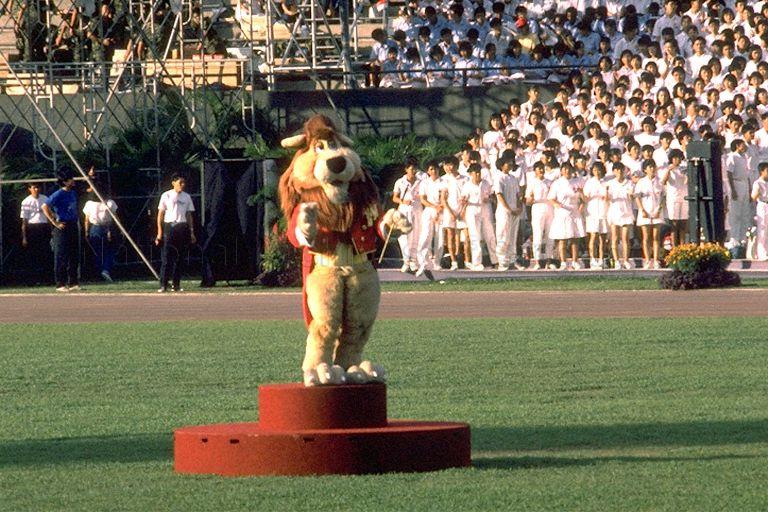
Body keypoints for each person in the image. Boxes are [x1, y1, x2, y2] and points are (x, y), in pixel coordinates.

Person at [41, 167, 81, 292]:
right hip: (62, 225)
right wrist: (54, 221)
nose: (73, 181)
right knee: (61, 255)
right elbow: (45, 206)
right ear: (65, 181)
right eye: (70, 179)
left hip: (73, 224)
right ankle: (60, 283)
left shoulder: (73, 193)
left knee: (74, 254)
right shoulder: (58, 194)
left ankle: (73, 282)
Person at [156, 174, 197, 292]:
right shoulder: (166, 195)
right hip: (170, 226)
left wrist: (191, 232)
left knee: (180, 257)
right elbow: (160, 214)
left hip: (182, 226)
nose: (182, 185)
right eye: (180, 183)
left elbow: (189, 215)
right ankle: (163, 284)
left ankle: (176, 284)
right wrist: (159, 231)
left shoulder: (186, 197)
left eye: (184, 183)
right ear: (173, 183)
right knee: (167, 257)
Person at [548, 162, 585, 270]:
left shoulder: (577, 181)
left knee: (575, 239)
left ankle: (575, 261)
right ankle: (563, 262)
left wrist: (580, 208)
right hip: (562, 212)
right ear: (561, 171)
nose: (567, 171)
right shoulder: (557, 183)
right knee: (562, 239)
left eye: (568, 169)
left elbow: (583, 199)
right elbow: (551, 198)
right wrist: (556, 204)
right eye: (564, 169)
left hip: (574, 212)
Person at [460, 163, 498, 271]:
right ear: (471, 174)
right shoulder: (467, 185)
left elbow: (492, 196)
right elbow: (463, 200)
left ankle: (495, 260)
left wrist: (489, 199)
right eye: (475, 173)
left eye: (478, 172)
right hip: (472, 209)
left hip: (485, 208)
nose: (477, 174)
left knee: (490, 234)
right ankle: (477, 263)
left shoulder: (486, 183)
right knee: (475, 236)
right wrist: (463, 206)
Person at [493, 155, 523, 271]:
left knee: (512, 237)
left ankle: (512, 261)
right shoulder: (499, 177)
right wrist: (508, 209)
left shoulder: (514, 178)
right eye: (508, 163)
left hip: (514, 210)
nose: (510, 165)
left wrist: (519, 207)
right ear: (502, 165)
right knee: (503, 236)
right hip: (504, 211)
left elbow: (517, 195)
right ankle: (502, 262)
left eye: (511, 163)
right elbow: (499, 195)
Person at [392, 157, 422, 272]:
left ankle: (414, 261)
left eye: (415, 169)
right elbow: (394, 198)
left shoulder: (421, 181)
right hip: (404, 210)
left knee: (415, 235)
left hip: (417, 209)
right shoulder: (400, 182)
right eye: (411, 169)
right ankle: (406, 261)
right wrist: (403, 201)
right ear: (406, 169)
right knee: (404, 236)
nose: (413, 171)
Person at [634, 159, 665, 269]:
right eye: (649, 167)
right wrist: (642, 210)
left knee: (656, 237)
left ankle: (656, 260)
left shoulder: (659, 182)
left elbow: (662, 197)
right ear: (645, 169)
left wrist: (659, 210)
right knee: (646, 237)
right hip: (645, 212)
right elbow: (637, 197)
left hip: (656, 212)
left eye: (653, 166)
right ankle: (647, 260)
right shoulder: (641, 182)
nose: (652, 169)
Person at [415, 160, 444, 276]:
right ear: (427, 171)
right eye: (431, 169)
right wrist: (434, 207)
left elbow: (444, 198)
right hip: (429, 209)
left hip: (441, 210)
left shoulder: (443, 182)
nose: (434, 171)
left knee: (439, 237)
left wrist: (439, 208)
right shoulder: (424, 183)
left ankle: (437, 262)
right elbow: (423, 199)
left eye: (435, 168)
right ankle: (423, 261)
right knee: (426, 235)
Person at [83, 188, 118, 282]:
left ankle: (104, 270)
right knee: (103, 250)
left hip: (101, 227)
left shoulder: (108, 203)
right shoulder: (91, 203)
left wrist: (86, 231)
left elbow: (86, 219)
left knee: (101, 251)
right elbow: (115, 218)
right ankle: (104, 270)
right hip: (99, 227)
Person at [19, 182, 51, 284]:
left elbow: (50, 215)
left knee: (45, 254)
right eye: (34, 188)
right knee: (33, 255)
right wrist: (24, 237)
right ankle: (33, 280)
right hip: (32, 228)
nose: (36, 189)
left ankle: (47, 279)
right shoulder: (26, 202)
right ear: (30, 189)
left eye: (38, 187)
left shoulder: (45, 199)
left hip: (44, 227)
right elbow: (24, 221)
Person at [525, 162, 555, 270]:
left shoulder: (550, 182)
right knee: (537, 234)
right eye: (539, 169)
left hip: (549, 207)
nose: (541, 171)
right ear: (535, 171)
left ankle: (549, 260)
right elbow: (528, 201)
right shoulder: (532, 183)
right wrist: (531, 198)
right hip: (537, 207)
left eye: (542, 168)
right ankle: (537, 261)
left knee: (550, 234)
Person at [583, 161, 609, 269]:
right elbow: (585, 198)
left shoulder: (606, 182)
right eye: (594, 170)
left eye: (598, 170)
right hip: (592, 212)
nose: (597, 172)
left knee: (603, 238)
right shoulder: (589, 182)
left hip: (604, 212)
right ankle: (592, 259)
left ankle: (601, 259)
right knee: (593, 236)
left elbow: (608, 198)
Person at [659, 148, 688, 247]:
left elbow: (686, 182)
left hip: (684, 198)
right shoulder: (668, 169)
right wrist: (669, 170)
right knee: (674, 225)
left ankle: (683, 246)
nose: (677, 160)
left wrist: (686, 175)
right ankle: (675, 247)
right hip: (673, 199)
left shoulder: (684, 169)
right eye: (675, 158)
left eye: (679, 158)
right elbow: (663, 182)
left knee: (683, 224)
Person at [750, 162, 768, 261]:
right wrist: (758, 192)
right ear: (762, 172)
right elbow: (753, 197)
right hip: (762, 205)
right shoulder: (758, 183)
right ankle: (762, 253)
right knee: (762, 229)